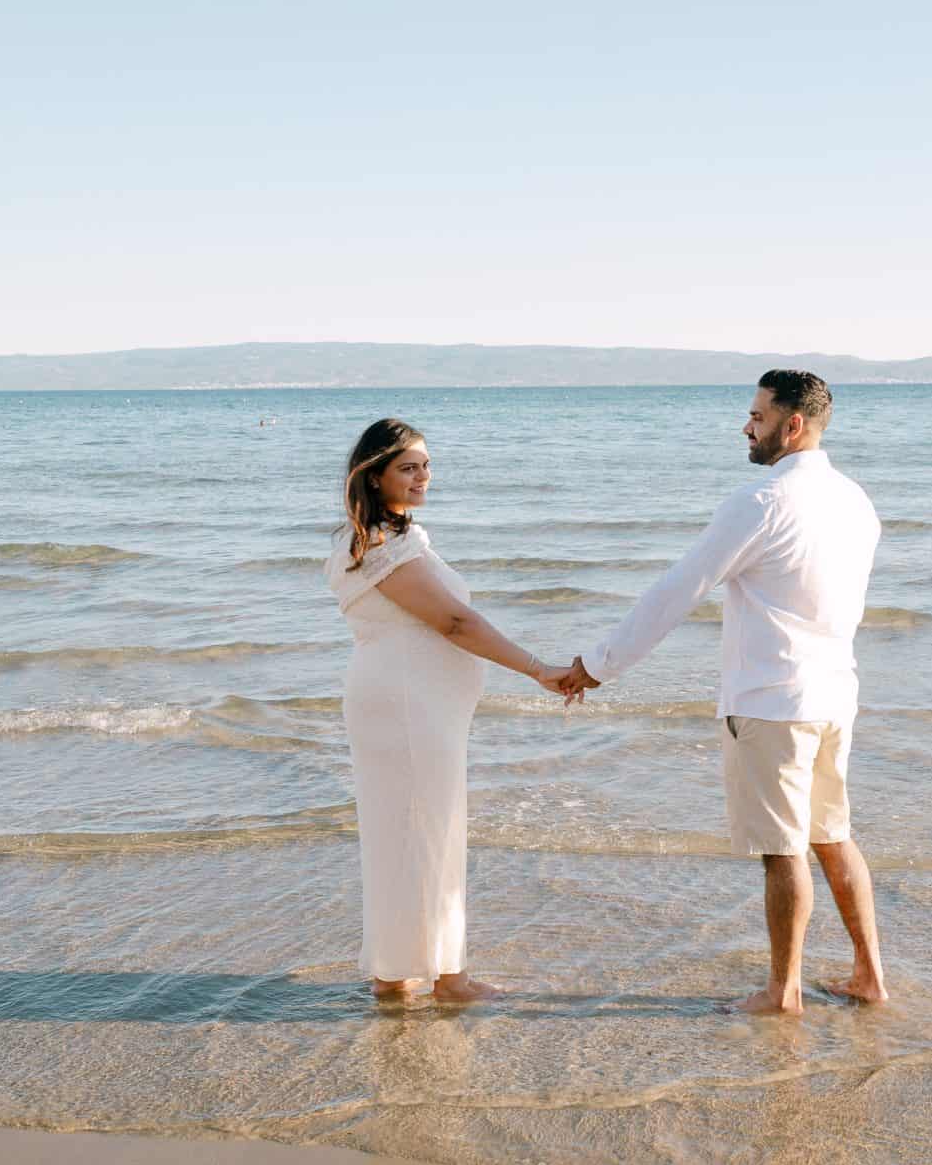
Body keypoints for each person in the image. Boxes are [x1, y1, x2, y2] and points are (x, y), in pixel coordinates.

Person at [563, 370, 887, 1011]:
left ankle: (783, 992)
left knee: (781, 849)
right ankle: (870, 978)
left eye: (758, 415)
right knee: (832, 835)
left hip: (772, 701)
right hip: (833, 696)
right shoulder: (856, 501)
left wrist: (598, 666)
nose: (747, 426)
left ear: (792, 424)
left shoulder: (761, 501)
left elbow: (679, 590)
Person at [328, 417, 577, 1004]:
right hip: (409, 706)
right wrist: (538, 668)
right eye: (408, 467)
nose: (423, 477)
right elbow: (455, 622)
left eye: (426, 465)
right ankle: (447, 979)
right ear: (374, 475)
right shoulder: (386, 547)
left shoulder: (366, 539)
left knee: (402, 833)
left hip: (402, 700)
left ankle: (397, 974)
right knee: (427, 832)